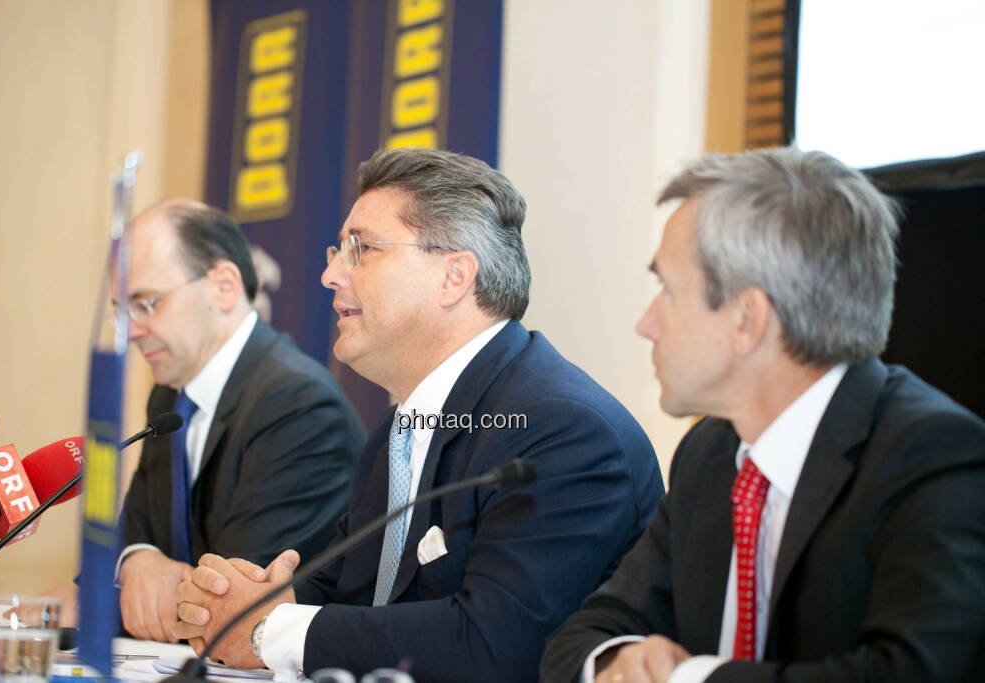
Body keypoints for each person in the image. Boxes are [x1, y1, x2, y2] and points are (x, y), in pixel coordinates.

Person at [172, 149, 665, 681]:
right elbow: (349, 587)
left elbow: (495, 643)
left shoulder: (562, 431)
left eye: (361, 249)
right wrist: (241, 602)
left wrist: (270, 631)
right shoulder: (403, 427)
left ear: (455, 277)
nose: (330, 273)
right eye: (337, 250)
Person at [540, 147, 985, 682]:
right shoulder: (708, 453)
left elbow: (914, 673)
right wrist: (616, 664)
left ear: (747, 320)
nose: (646, 323)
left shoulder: (933, 454)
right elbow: (587, 633)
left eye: (667, 290)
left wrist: (691, 679)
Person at [116, 199, 366, 643]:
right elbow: (136, 532)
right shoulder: (169, 398)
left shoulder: (299, 406)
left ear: (225, 287)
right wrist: (136, 560)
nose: (131, 330)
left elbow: (228, 607)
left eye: (147, 303)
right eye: (122, 310)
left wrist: (129, 588)